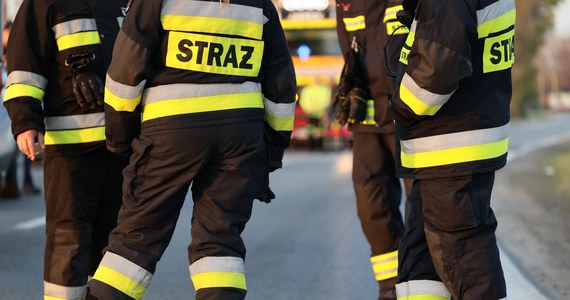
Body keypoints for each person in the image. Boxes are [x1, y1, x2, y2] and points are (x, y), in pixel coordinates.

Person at [82, 0, 296, 299]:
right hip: (240, 134)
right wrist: (274, 145)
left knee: (137, 239)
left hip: (171, 132)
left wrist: (120, 138)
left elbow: (126, 71)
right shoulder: (259, 3)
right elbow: (280, 79)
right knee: (221, 244)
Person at [3, 0, 129, 298]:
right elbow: (24, 63)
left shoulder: (122, 3)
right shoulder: (44, 3)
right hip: (71, 148)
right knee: (69, 238)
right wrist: (25, 120)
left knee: (117, 240)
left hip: (120, 147)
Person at [391, 0, 515, 299]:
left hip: (449, 149)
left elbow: (436, 72)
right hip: (451, 152)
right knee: (423, 265)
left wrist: (398, 106)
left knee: (467, 265)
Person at [333, 1, 410, 299]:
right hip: (367, 121)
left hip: (410, 115)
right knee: (372, 210)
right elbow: (350, 46)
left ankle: (427, 284)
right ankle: (390, 290)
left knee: (425, 211)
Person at [2, 20, 41, 197]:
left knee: (23, 143)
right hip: (13, 106)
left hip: (16, 108)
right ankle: (25, 181)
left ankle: (26, 181)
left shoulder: (18, 50)